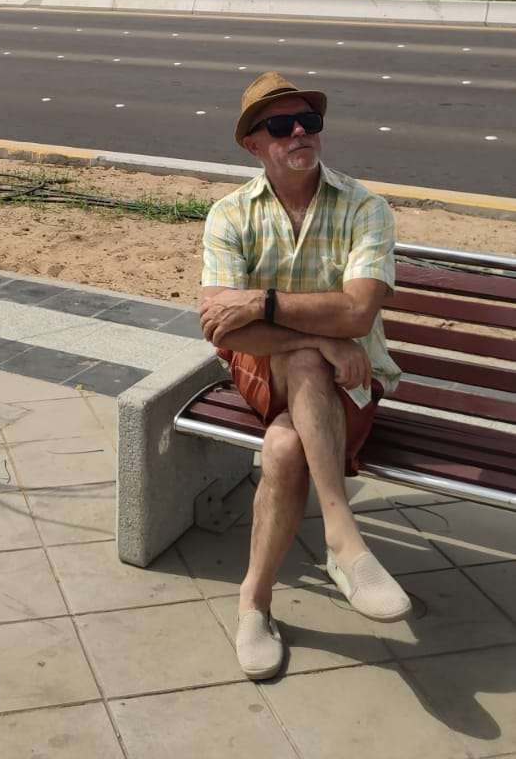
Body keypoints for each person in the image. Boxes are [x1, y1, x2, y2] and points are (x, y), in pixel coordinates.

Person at [198, 71, 411, 681]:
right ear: (254, 144)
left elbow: (358, 313)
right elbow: (220, 329)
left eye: (309, 121)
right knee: (310, 354)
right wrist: (318, 334)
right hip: (269, 372)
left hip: (349, 384)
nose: (299, 133)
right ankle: (342, 538)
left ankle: (253, 603)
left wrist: (263, 304)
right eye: (280, 125)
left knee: (285, 447)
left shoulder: (365, 208)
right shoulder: (229, 215)